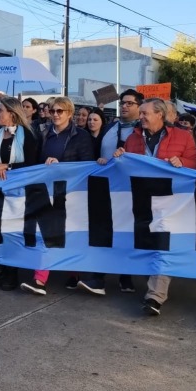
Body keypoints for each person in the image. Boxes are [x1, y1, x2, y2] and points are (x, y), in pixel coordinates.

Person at [112, 98, 196, 314]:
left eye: (145, 113)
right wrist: (118, 158)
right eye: (140, 113)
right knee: (146, 242)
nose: (140, 116)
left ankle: (155, 296)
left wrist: (183, 163)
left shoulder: (183, 136)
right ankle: (153, 282)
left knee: (163, 243)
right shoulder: (133, 139)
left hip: (171, 201)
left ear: (160, 114)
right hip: (141, 199)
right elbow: (128, 167)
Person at [19, 96, 94, 296]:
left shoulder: (81, 136)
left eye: (60, 111)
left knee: (70, 234)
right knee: (46, 233)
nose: (55, 115)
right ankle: (39, 279)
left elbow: (87, 165)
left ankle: (75, 273)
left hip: (71, 192)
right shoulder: (43, 134)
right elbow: (34, 161)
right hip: (46, 190)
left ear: (70, 113)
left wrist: (61, 167)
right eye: (52, 111)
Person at [86, 89, 145, 295]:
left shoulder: (143, 130)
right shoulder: (110, 127)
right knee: (103, 231)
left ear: (139, 106)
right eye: (123, 103)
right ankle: (98, 277)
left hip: (131, 190)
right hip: (106, 188)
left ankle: (126, 276)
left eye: (130, 103)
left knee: (127, 233)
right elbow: (96, 152)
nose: (125, 106)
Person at [0, 97, 39, 290]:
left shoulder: (28, 135)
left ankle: (11, 271)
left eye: (1, 111)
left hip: (18, 194)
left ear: (12, 114)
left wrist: (7, 166)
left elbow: (32, 165)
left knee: (12, 231)